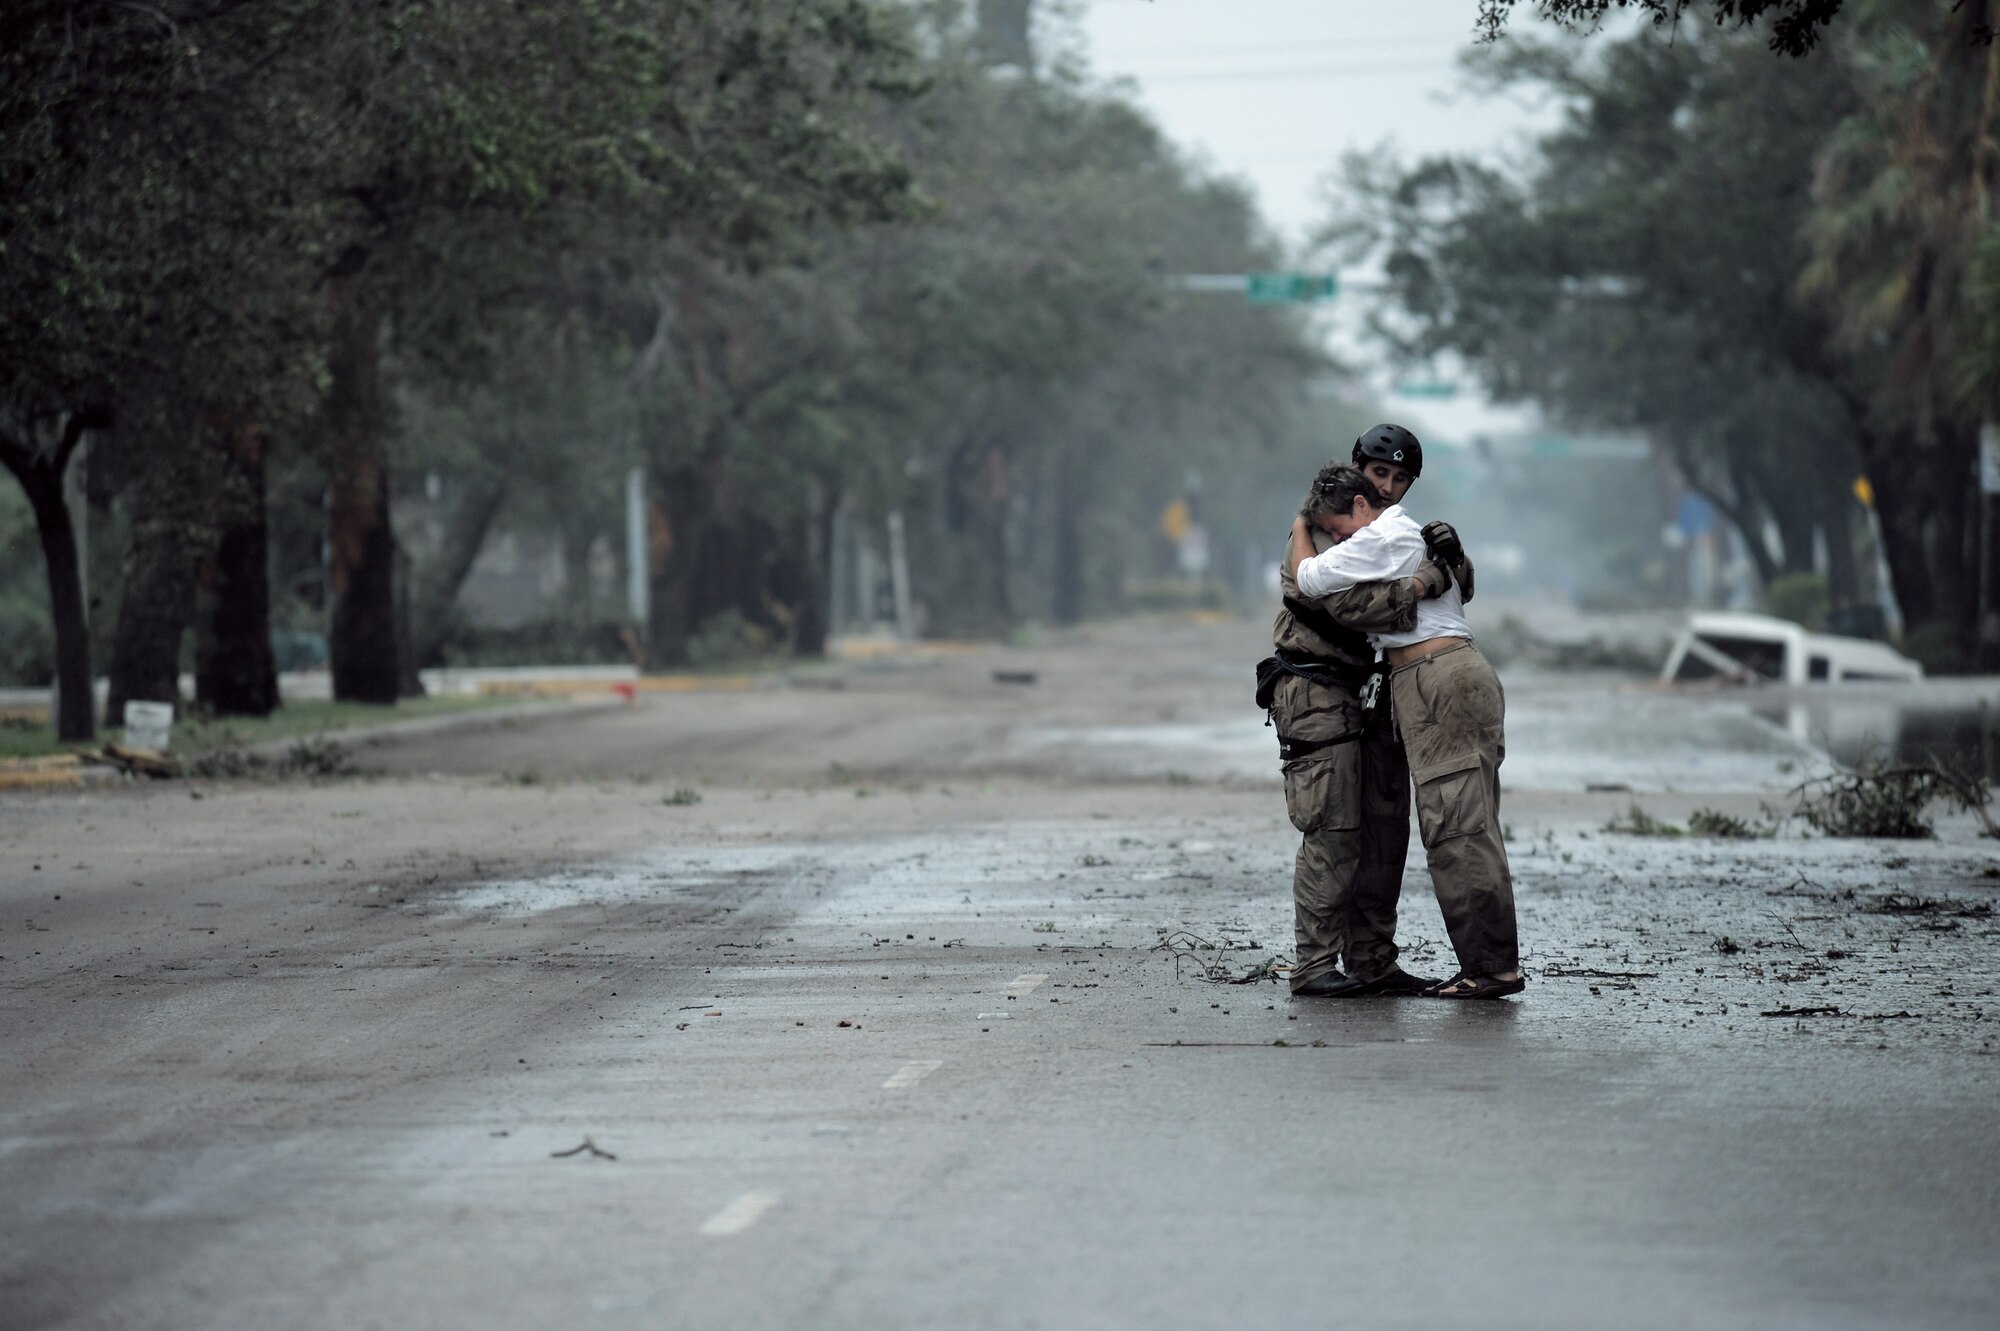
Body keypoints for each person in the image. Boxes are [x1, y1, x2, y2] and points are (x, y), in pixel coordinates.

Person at [1286, 464, 1523, 1000]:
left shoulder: (1382, 533)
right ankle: (1485, 964)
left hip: (1437, 677)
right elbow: (1455, 585)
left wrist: (1302, 525)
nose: (1338, 540)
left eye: (1338, 528)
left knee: (1458, 831)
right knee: (1464, 825)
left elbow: (1309, 580)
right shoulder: (1409, 536)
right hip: (1440, 678)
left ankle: (1491, 969)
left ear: (1361, 508)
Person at [1260, 424, 1468, 999]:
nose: (1389, 488)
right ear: (1357, 475)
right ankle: (1314, 965)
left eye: (1401, 479)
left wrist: (1452, 555)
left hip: (1376, 694)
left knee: (1383, 831)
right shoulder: (1320, 527)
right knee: (1333, 829)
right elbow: (1331, 603)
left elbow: (1459, 590)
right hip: (1317, 689)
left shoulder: (1391, 533)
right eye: (1379, 475)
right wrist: (1420, 584)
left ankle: (1373, 961)